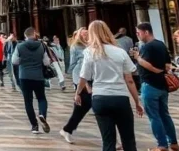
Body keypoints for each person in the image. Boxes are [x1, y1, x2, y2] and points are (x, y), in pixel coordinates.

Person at [75, 21, 143, 151]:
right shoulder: (120, 52)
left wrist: (78, 93)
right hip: (120, 97)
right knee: (128, 139)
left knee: (108, 140)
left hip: (100, 97)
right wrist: (137, 101)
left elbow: (83, 76)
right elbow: (129, 79)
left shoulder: (89, 52)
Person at [133, 22, 178, 151]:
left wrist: (138, 58)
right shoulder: (161, 44)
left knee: (154, 116)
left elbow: (148, 65)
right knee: (165, 114)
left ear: (146, 32)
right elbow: (168, 64)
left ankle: (162, 145)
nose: (137, 35)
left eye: (138, 32)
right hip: (162, 86)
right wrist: (160, 70)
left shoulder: (147, 47)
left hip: (150, 84)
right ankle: (173, 142)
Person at [15, 26, 49, 134]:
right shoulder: (42, 46)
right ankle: (42, 114)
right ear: (34, 35)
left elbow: (14, 61)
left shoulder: (19, 46)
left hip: (24, 76)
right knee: (41, 98)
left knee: (28, 101)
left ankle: (34, 126)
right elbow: (47, 62)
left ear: (25, 36)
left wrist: (23, 60)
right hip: (38, 77)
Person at [59, 27, 89, 142]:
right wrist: (72, 79)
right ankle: (67, 129)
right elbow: (73, 64)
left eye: (87, 33)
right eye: (84, 34)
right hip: (81, 79)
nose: (87, 35)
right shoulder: (76, 47)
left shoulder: (91, 45)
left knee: (83, 108)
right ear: (80, 35)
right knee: (81, 107)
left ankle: (67, 129)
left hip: (92, 79)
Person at [115, 26, 140, 91]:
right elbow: (130, 49)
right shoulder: (129, 39)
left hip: (119, 57)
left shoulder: (115, 39)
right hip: (126, 56)